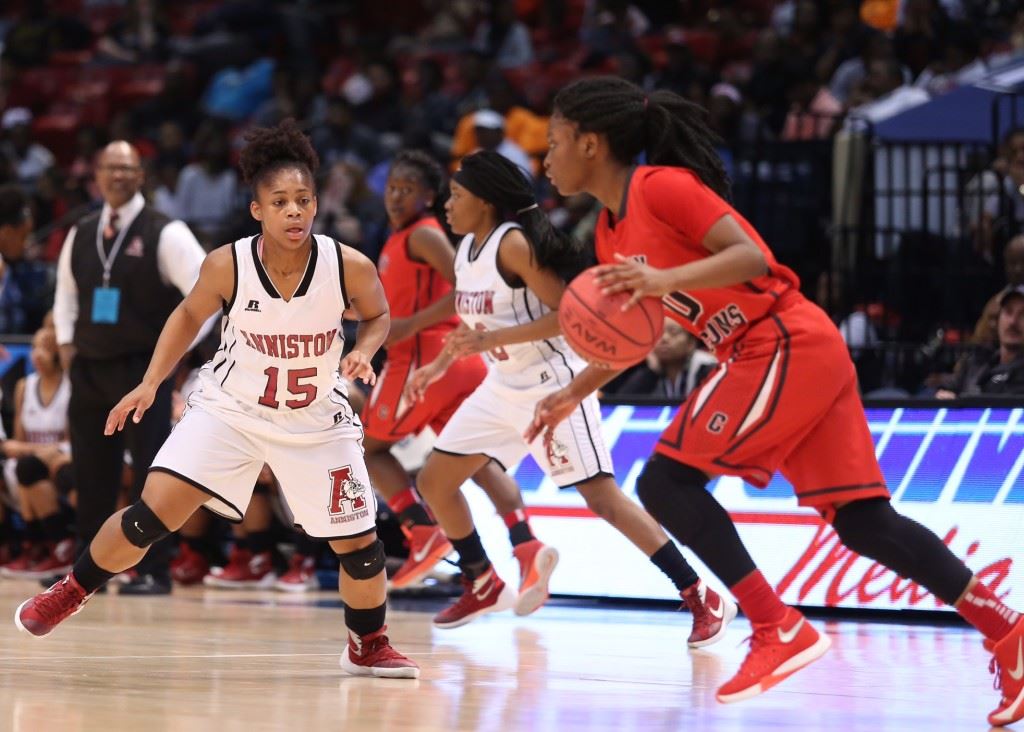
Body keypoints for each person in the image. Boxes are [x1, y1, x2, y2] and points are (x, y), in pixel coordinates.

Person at [531, 76, 1024, 724]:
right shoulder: (607, 234)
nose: (545, 159)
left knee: (667, 481)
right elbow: (630, 338)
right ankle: (1008, 631)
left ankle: (774, 626)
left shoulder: (663, 187)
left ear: (591, 143)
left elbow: (751, 255)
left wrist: (666, 276)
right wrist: (571, 391)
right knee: (864, 524)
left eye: (554, 142)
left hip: (780, 339)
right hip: (778, 351)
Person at [15, 119, 419, 678]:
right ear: (258, 210)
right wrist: (151, 382)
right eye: (280, 202)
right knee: (148, 517)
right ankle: (72, 589)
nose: (294, 211)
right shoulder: (227, 263)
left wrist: (365, 351)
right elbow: (185, 317)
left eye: (303, 199)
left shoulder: (348, 264)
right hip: (232, 410)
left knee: (362, 547)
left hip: (314, 416)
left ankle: (368, 643)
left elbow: (378, 315)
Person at [406, 150, 733, 642]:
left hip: (551, 382)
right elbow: (472, 314)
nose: (446, 205)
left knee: (602, 498)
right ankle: (482, 580)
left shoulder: (511, 244)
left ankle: (698, 594)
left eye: (456, 196)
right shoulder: (467, 251)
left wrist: (489, 341)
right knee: (435, 481)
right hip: (500, 385)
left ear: (486, 201)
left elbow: (568, 314)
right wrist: (435, 366)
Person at [360, 150, 555, 592]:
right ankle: (525, 546)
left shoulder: (425, 235)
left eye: (408, 189)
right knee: (477, 461)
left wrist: (410, 323)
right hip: (457, 363)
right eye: (392, 187)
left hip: (426, 359)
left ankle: (422, 531)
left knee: (367, 447)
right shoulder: (402, 238)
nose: (396, 196)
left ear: (430, 197)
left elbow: (466, 290)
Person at [52, 140, 210, 595]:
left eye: (127, 168)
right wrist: (66, 346)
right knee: (91, 471)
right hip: (89, 367)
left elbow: (209, 299)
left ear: (141, 175)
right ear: (96, 174)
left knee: (151, 470)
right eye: (109, 168)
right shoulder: (81, 232)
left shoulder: (166, 231)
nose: (117, 175)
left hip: (143, 372)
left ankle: (155, 568)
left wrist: (172, 356)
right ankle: (86, 573)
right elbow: (65, 297)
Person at [0, 327, 74, 579]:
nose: (36, 355)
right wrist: (30, 450)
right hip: (31, 458)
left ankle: (57, 544)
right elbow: (18, 440)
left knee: (29, 468)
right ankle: (29, 546)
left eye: (44, 348)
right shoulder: (24, 386)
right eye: (33, 348)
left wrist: (32, 451)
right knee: (19, 467)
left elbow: (70, 440)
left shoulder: (70, 386)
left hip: (61, 457)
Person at [937, 286, 1024, 398]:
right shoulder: (975, 364)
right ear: (997, 320)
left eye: (1023, 314)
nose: (1013, 321)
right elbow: (948, 390)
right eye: (1008, 311)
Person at [612, 318, 717, 398]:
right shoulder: (646, 367)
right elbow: (621, 403)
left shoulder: (707, 367)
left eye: (673, 332)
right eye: (658, 333)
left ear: (691, 343)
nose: (664, 339)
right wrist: (651, 371)